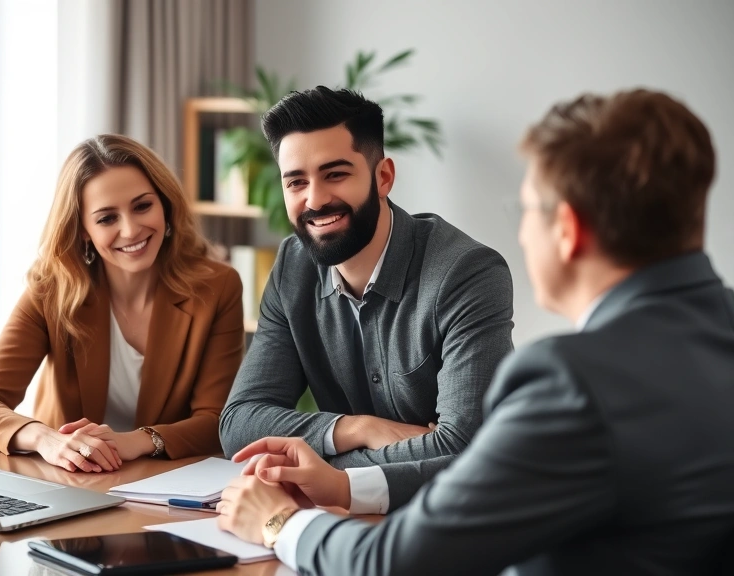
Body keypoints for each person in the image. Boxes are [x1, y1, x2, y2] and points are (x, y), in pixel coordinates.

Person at [217, 88, 734, 575]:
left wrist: (277, 522)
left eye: (526, 209)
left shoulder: (569, 383)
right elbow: (241, 418)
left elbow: (393, 561)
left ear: (567, 231)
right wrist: (352, 448)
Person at [219, 87, 515, 507]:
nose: (315, 199)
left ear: (383, 177)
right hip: (343, 517)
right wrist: (356, 429)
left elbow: (466, 449)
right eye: (296, 182)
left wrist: (322, 471)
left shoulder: (466, 273)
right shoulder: (293, 266)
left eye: (335, 174)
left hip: (451, 520)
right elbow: (240, 422)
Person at [0, 134, 244, 473]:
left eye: (142, 206)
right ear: (83, 230)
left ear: (165, 205)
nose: (130, 230)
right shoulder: (51, 290)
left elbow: (218, 421)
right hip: (69, 480)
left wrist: (135, 441)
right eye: (107, 218)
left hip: (161, 483)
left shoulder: (217, 287)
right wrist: (43, 438)